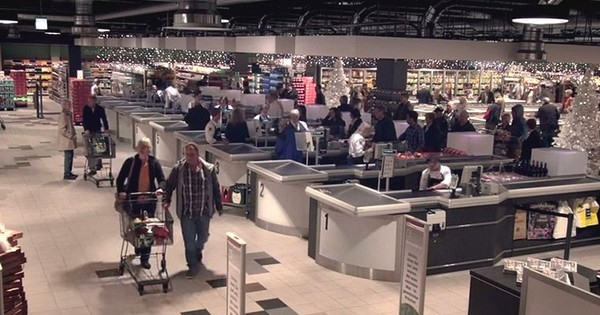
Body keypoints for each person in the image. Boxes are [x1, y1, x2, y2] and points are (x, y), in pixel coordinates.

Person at [163, 142, 223, 278]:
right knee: (189, 242)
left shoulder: (208, 169)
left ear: (198, 155)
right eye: (187, 154)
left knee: (203, 237)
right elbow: (169, 185)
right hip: (187, 213)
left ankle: (198, 250)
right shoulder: (179, 169)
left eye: (192, 155)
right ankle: (192, 266)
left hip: (203, 212)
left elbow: (215, 188)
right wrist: (166, 200)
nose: (189, 157)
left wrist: (219, 206)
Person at [116, 137, 165, 269]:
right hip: (133, 202)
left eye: (146, 147)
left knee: (147, 228)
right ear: (138, 149)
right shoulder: (131, 162)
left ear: (150, 149)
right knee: (138, 227)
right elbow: (120, 178)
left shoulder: (154, 163)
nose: (144, 150)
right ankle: (139, 246)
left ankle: (145, 258)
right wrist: (121, 191)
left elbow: (161, 179)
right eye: (141, 147)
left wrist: (160, 188)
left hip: (149, 202)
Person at [82, 95, 109, 175]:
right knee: (90, 150)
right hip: (89, 131)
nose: (89, 103)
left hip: (97, 130)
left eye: (90, 102)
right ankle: (92, 167)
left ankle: (98, 163)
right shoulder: (86, 109)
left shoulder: (100, 109)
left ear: (94, 102)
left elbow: (104, 119)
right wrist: (86, 129)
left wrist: (106, 129)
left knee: (98, 148)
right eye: (88, 102)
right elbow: (84, 120)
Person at [58, 102, 78, 180]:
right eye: (69, 105)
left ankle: (69, 172)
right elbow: (62, 128)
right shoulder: (63, 115)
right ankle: (67, 173)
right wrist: (70, 135)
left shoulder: (68, 114)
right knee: (68, 156)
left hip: (69, 139)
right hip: (66, 140)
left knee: (70, 155)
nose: (70, 106)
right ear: (64, 106)